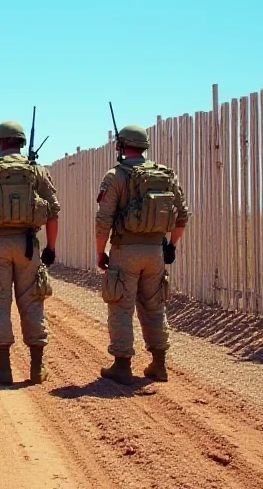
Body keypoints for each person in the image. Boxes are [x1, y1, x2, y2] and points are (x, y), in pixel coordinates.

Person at [0, 121, 60, 385]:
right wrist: (51, 246)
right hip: (29, 245)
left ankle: (4, 369)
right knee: (33, 302)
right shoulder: (36, 171)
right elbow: (53, 210)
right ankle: (37, 369)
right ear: (20, 142)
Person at [95, 124, 189, 385]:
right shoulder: (165, 175)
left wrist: (100, 251)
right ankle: (159, 364)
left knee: (121, 307)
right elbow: (182, 216)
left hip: (125, 250)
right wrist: (172, 245)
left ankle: (122, 365)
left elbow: (103, 219)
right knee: (154, 306)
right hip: (156, 251)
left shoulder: (115, 176)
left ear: (122, 146)